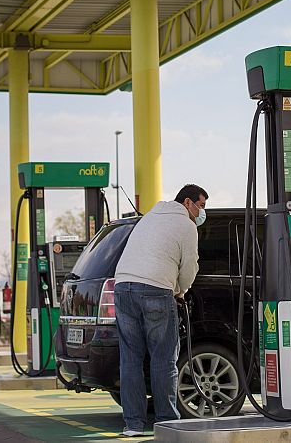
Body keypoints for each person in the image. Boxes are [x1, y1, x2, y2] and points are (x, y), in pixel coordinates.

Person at [113, 184, 208, 437]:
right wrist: (181, 291)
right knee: (163, 359)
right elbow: (190, 266)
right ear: (188, 203)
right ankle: (167, 421)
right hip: (155, 289)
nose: (201, 212)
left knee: (130, 359)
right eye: (201, 206)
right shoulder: (186, 226)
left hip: (122, 287)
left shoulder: (150, 217)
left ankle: (133, 425)